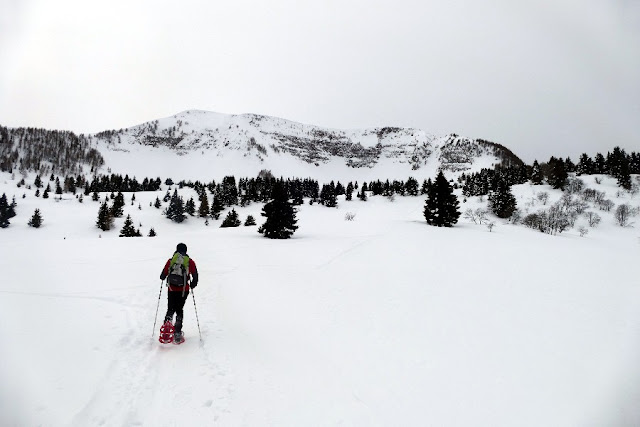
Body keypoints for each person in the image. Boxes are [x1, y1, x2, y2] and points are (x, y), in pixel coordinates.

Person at [159, 243, 198, 342]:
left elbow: (162, 275)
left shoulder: (171, 261)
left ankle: (166, 332)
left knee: (170, 308)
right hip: (183, 290)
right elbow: (195, 276)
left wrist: (164, 277)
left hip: (171, 289)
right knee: (179, 309)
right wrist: (192, 284)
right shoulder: (189, 262)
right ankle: (177, 333)